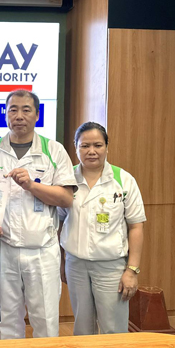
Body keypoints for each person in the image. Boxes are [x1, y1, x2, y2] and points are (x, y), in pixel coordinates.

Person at [0, 89, 76, 339]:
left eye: (26, 110)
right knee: (9, 317)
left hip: (42, 249)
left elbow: (66, 199)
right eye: (12, 109)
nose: (19, 115)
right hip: (2, 247)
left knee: (45, 320)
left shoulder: (54, 151)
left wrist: (32, 186)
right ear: (5, 115)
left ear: (37, 115)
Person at [58, 122, 145, 335]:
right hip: (76, 265)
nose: (91, 151)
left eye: (97, 145)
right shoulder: (66, 179)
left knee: (113, 329)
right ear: (75, 147)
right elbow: (59, 223)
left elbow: (136, 226)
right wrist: (62, 262)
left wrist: (131, 270)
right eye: (85, 145)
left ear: (107, 146)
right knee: (82, 328)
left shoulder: (123, 180)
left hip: (111, 267)